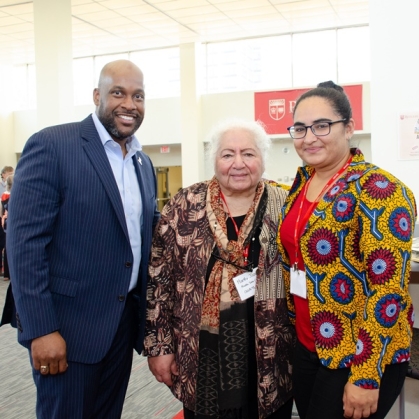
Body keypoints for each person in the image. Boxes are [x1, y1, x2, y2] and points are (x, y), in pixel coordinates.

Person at [7, 59, 159, 418]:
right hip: (66, 331)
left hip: (121, 328)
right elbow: (25, 246)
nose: (129, 104)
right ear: (97, 95)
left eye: (138, 96)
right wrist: (41, 330)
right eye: (118, 92)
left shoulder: (143, 163)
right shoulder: (53, 145)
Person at [278, 81, 417, 419]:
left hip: (357, 356)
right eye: (300, 128)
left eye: (322, 126)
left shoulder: (379, 190)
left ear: (349, 128)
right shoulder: (300, 185)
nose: (309, 137)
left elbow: (387, 293)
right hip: (309, 347)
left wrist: (366, 377)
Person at [144, 119, 295, 419]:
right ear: (214, 159)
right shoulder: (184, 205)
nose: (238, 163)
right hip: (199, 355)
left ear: (263, 159)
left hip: (270, 357)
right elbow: (159, 280)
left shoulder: (285, 204)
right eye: (228, 154)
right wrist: (159, 347)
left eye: (249, 154)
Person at [0, 166, 13, 278]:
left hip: (6, 222)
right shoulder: (10, 195)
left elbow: (2, 210)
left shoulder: (4, 195)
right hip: (9, 222)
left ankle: (7, 274)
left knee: (7, 246)